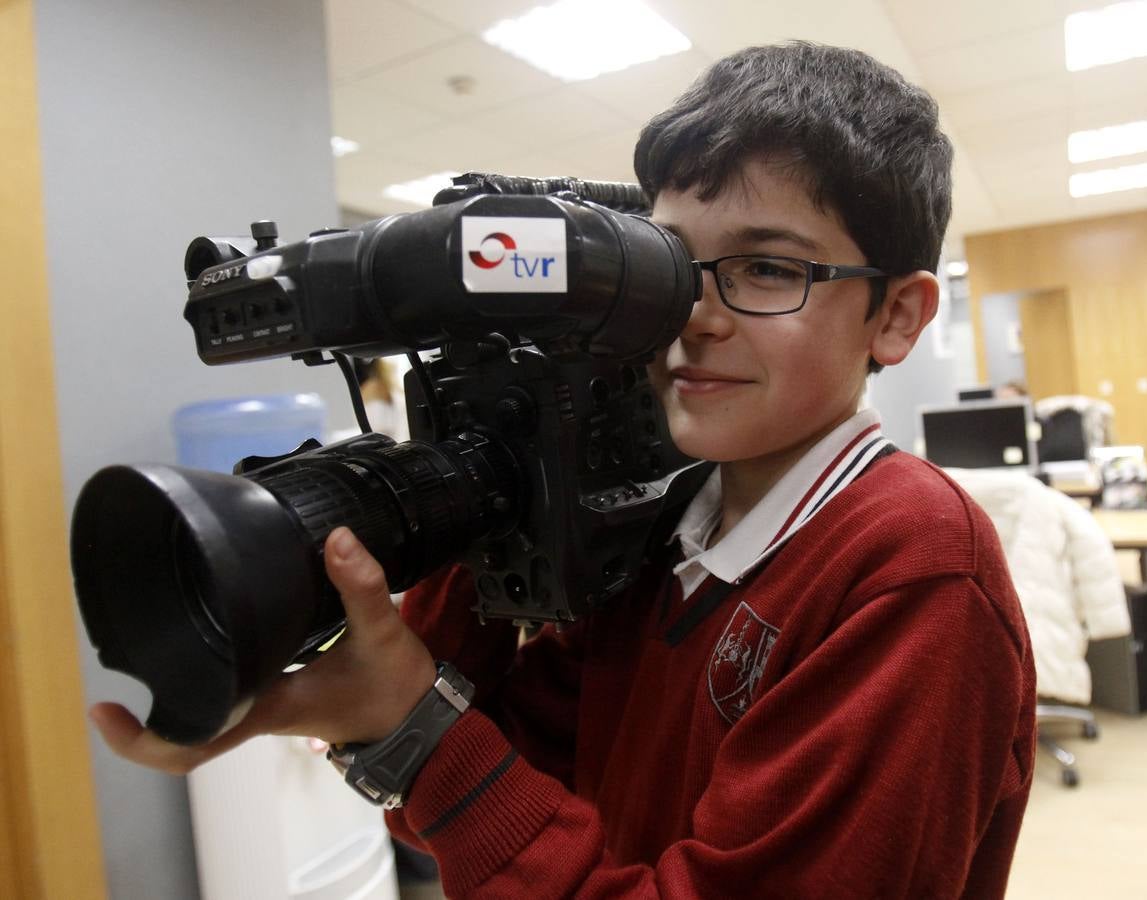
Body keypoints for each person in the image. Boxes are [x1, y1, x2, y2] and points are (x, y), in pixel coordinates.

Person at [91, 41, 1036, 898]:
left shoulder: (912, 569)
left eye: (765, 271)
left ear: (899, 317)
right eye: (674, 268)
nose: (697, 319)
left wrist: (413, 729)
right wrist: (463, 536)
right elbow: (478, 809)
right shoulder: (680, 528)